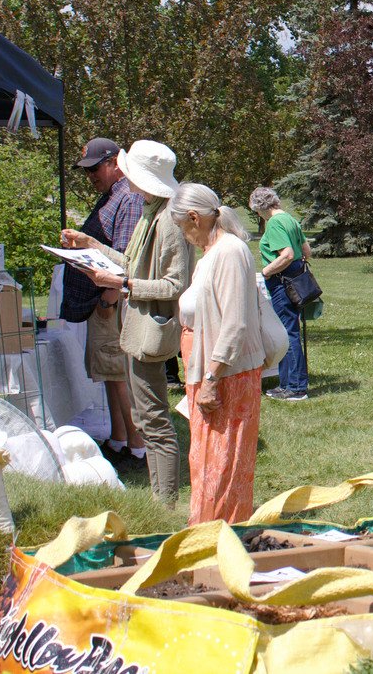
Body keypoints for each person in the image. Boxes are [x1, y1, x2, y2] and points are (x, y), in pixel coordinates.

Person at [62, 140, 191, 504]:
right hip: (137, 328)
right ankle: (160, 499)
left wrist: (122, 285)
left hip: (151, 330)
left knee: (155, 422)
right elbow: (130, 262)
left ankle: (165, 504)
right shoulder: (151, 212)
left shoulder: (168, 221)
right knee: (146, 419)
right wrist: (90, 244)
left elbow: (175, 285)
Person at [170, 183, 268, 524]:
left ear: (194, 218)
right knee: (207, 461)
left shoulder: (230, 252)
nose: (184, 235)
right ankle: (205, 531)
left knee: (223, 464)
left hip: (226, 374)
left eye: (182, 227)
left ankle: (220, 533)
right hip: (209, 370)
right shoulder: (212, 253)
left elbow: (235, 323)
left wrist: (212, 378)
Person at [61, 137, 147, 468]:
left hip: (113, 301)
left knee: (120, 373)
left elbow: (125, 259)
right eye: (86, 170)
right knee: (110, 373)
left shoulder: (128, 197)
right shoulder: (113, 194)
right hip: (103, 299)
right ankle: (119, 439)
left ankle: (138, 449)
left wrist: (109, 299)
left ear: (113, 163)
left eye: (94, 168)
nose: (90, 176)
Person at [249, 187, 312, 401]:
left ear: (259, 207)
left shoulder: (274, 222)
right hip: (295, 280)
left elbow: (287, 254)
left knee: (287, 333)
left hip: (282, 282)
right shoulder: (290, 219)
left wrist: (265, 272)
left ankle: (295, 387)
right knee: (291, 330)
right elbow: (306, 252)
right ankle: (288, 383)